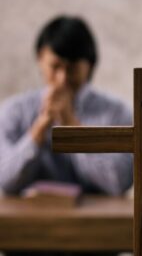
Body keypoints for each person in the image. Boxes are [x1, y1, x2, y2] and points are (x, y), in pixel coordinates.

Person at [0, 15, 133, 197]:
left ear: (90, 66)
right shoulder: (13, 110)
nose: (62, 79)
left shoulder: (118, 112)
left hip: (98, 222)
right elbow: (6, 181)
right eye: (55, 66)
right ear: (40, 59)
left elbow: (120, 182)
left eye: (72, 69)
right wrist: (40, 128)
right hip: (27, 222)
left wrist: (72, 127)